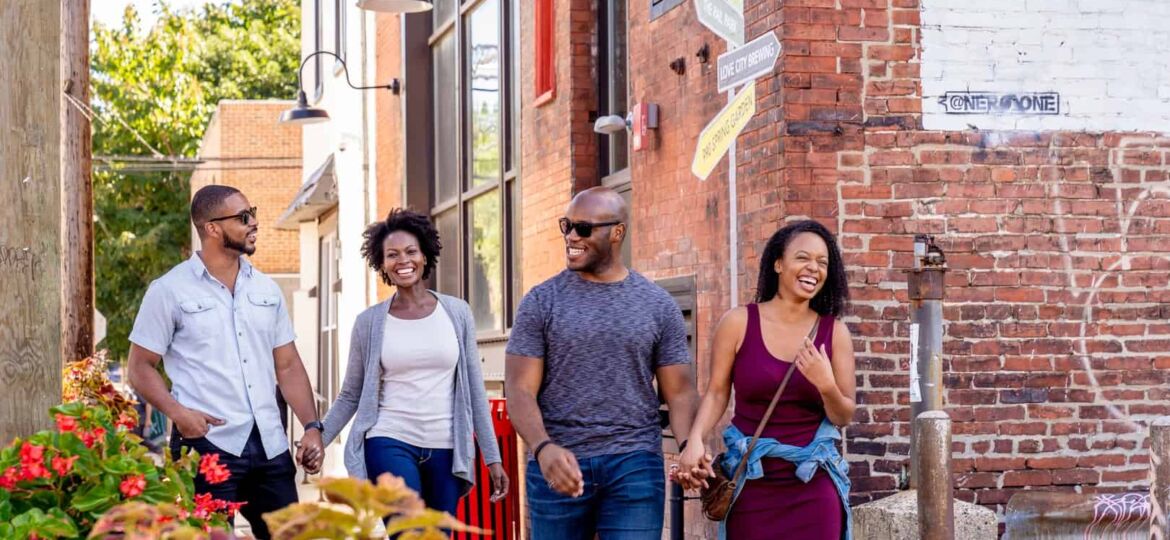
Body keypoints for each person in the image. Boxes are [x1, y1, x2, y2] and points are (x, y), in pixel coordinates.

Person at [128, 185, 323, 540]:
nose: (254, 224)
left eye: (253, 213)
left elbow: (289, 366)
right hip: (205, 445)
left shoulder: (266, 289)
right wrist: (179, 414)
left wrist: (312, 427)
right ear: (212, 228)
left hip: (270, 443)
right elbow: (140, 366)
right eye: (244, 217)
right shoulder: (169, 290)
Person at [505, 186, 701, 540]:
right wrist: (542, 448)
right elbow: (519, 390)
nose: (571, 236)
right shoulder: (540, 302)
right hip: (557, 462)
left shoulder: (658, 305)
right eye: (567, 225)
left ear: (617, 233)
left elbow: (681, 392)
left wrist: (688, 446)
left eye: (583, 228)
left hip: (634, 463)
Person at [320, 209, 508, 515]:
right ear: (381, 264)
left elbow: (475, 391)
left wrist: (492, 458)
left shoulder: (457, 313)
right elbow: (351, 394)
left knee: (436, 535)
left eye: (410, 251)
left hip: (446, 445)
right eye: (392, 255)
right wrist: (319, 436)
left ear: (424, 255)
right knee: (409, 530)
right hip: (389, 438)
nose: (402, 261)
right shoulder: (369, 323)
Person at [678, 219, 855, 540]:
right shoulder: (738, 322)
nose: (813, 268)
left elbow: (843, 415)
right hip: (752, 483)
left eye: (823, 262)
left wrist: (826, 384)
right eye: (803, 258)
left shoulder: (835, 333)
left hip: (813, 486)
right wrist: (694, 439)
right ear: (778, 263)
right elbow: (717, 393)